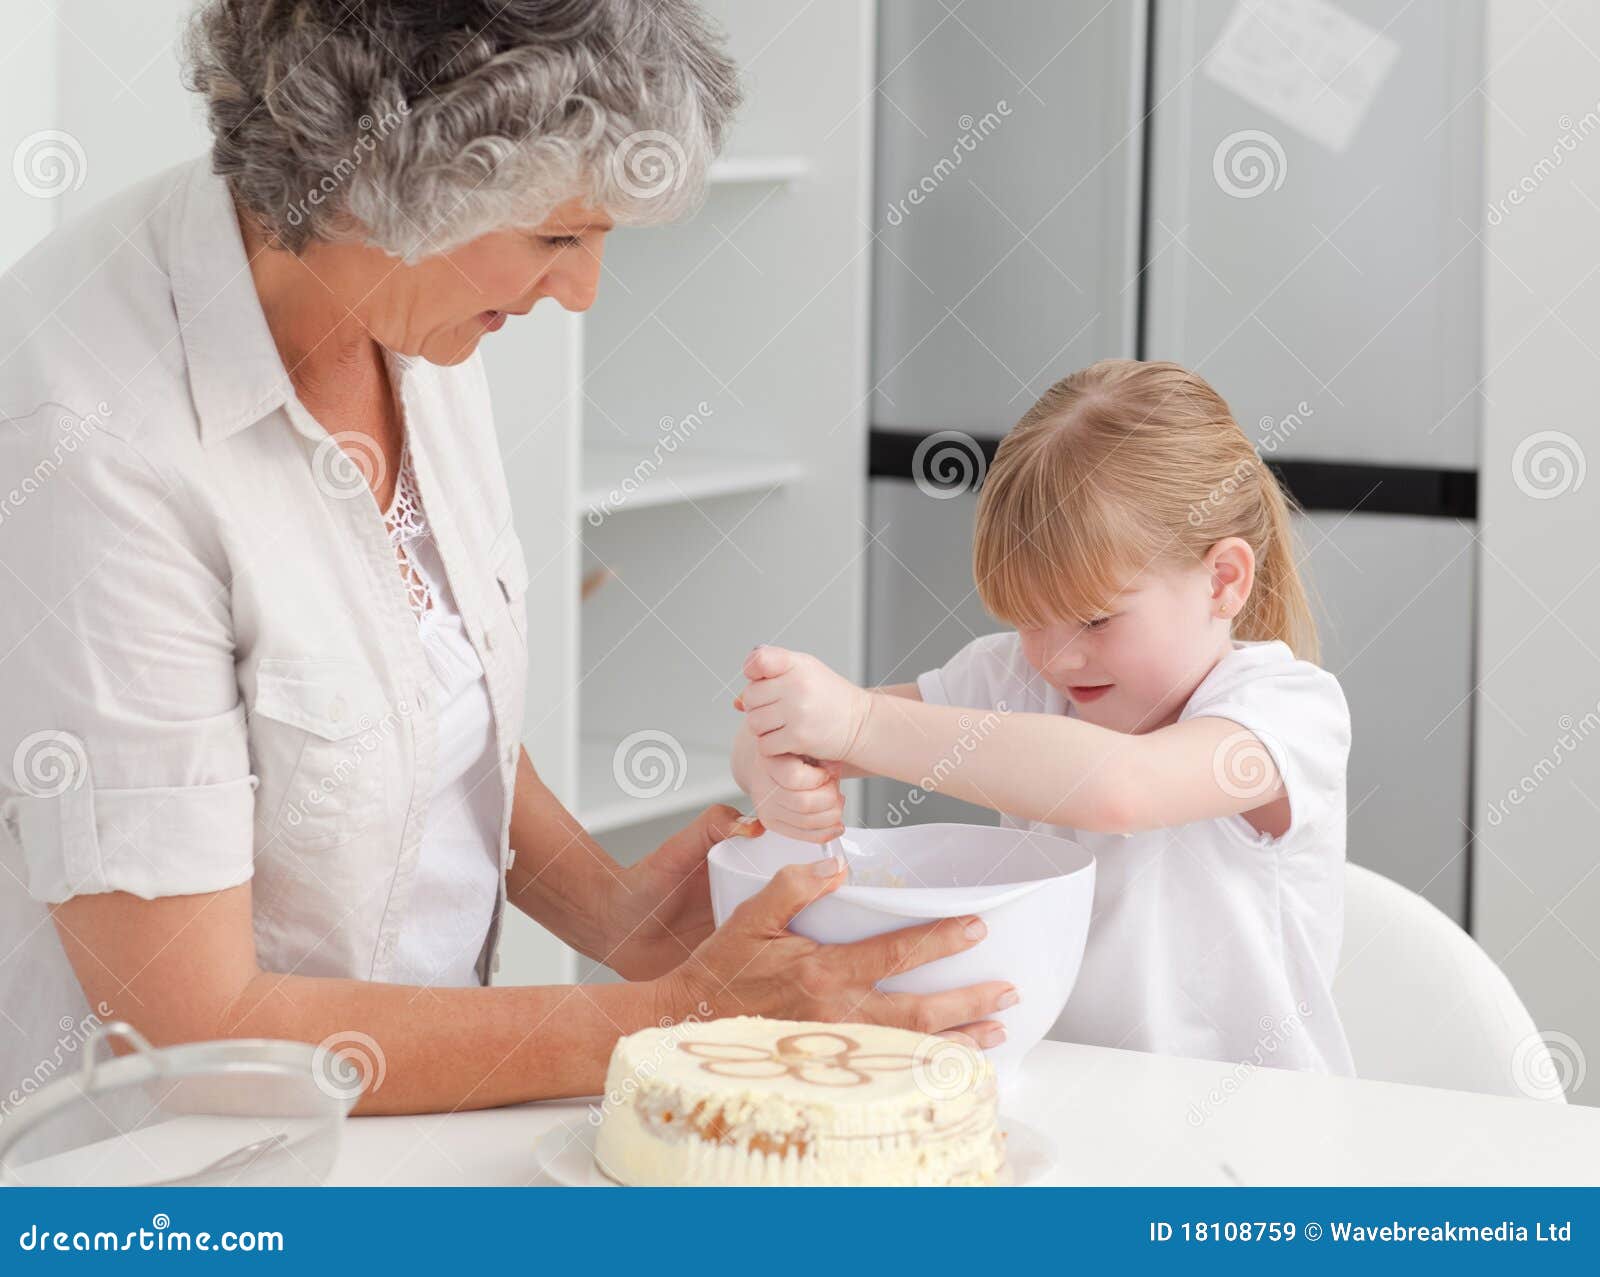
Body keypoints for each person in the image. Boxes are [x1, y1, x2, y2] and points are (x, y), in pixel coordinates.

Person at [0, 0, 1015, 1114]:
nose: (579, 292)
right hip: (171, 1178)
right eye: (557, 239)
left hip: (408, 1126)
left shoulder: (407, 302)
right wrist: (679, 1017)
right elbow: (192, 1021)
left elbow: (402, 686)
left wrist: (615, 913)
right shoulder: (92, 440)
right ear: (377, 183)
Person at [731, 358, 1355, 1074]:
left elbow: (1121, 789)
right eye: (1030, 619)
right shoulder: (1014, 677)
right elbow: (787, 742)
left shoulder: (1285, 709)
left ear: (1223, 579)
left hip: (1258, 1141)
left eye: (1094, 619)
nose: (1057, 660)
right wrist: (774, 768)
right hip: (1074, 1105)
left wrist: (861, 725)